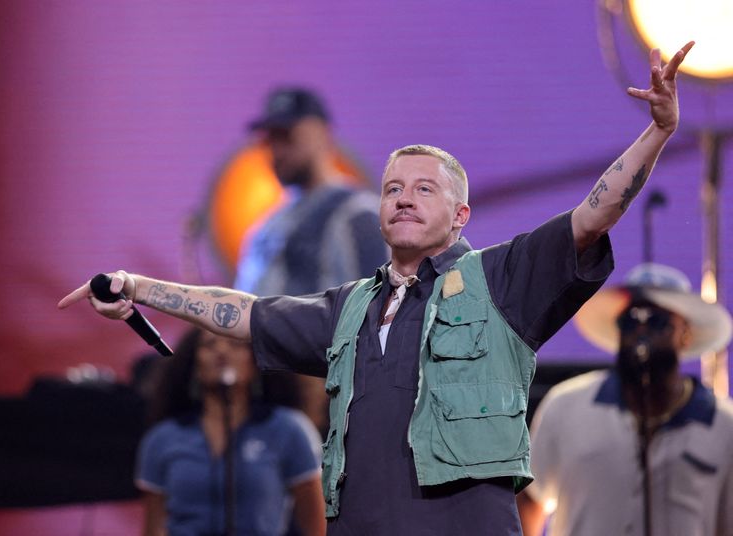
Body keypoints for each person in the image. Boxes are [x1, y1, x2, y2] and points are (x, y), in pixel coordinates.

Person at [59, 42, 695, 535]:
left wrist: (659, 130)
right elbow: (245, 313)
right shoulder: (350, 309)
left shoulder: (501, 280)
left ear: (461, 215)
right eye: (393, 188)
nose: (403, 198)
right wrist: (139, 287)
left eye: (424, 188)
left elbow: (594, 214)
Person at [517, 263, 733, 536]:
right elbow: (531, 498)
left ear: (685, 334)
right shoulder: (565, 405)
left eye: (657, 322)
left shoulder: (725, 426)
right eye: (629, 321)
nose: (641, 332)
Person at [236, 86, 389, 432]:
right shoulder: (267, 223)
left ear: (321, 134)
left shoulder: (356, 213)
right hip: (265, 392)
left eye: (287, 135)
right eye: (270, 138)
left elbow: (373, 313)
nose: (276, 149)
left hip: (323, 398)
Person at [136, 327, 326, 536]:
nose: (222, 351)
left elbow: (315, 525)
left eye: (236, 345)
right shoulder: (163, 438)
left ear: (256, 362)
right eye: (209, 345)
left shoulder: (288, 429)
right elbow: (154, 527)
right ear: (193, 365)